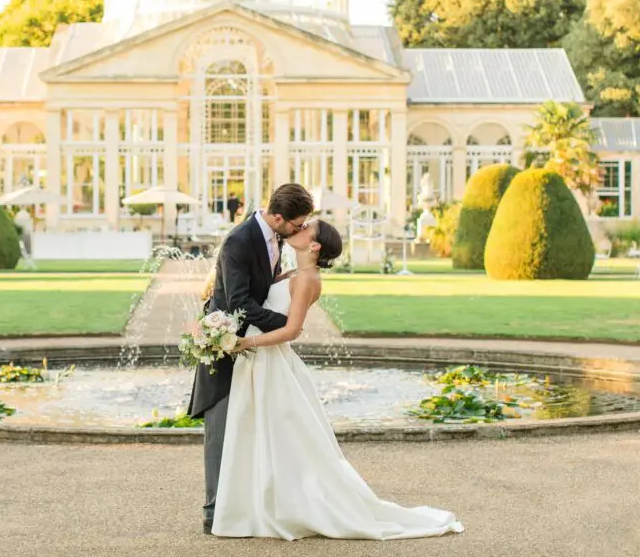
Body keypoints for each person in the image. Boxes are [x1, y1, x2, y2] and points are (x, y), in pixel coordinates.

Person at [210, 219, 465, 540]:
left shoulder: (307, 280)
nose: (298, 229)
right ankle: (255, 505)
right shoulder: (293, 273)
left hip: (268, 359)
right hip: (261, 361)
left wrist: (244, 343)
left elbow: (292, 330)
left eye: (306, 229)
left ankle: (279, 507)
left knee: (279, 436)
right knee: (260, 433)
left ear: (314, 245)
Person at [188, 182, 316, 536]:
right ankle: (214, 511)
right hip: (226, 342)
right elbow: (239, 302)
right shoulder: (240, 240)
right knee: (220, 424)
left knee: (248, 428)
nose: (300, 230)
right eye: (296, 224)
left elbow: (260, 283)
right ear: (278, 216)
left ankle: (245, 504)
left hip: (251, 345)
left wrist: (283, 278)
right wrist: (288, 326)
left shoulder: (273, 236)